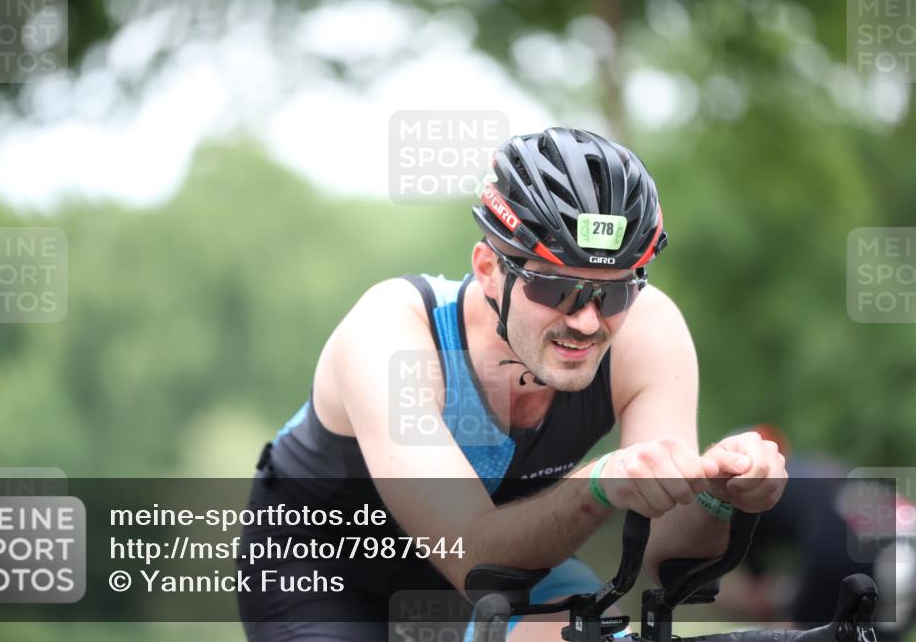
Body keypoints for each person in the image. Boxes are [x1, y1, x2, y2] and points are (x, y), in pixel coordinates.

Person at [237, 127, 788, 641]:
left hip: (512, 558)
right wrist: (596, 485)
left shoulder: (649, 331)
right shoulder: (392, 335)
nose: (588, 321)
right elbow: (475, 561)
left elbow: (669, 559)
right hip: (327, 570)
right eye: (555, 287)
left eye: (615, 292)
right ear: (487, 267)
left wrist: (717, 495)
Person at [715, 425, 916, 641]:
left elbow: (754, 577)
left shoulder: (760, 485)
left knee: (801, 629)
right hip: (905, 537)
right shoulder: (819, 467)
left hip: (847, 541)